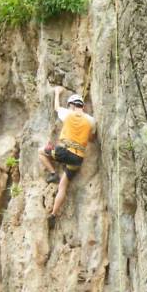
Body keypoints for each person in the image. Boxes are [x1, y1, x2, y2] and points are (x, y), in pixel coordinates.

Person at [38, 86, 96, 229]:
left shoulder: (67, 113)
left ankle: (52, 173)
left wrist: (57, 92)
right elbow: (91, 138)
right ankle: (53, 214)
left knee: (41, 151)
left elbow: (57, 107)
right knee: (63, 185)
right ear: (82, 106)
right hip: (78, 159)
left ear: (71, 105)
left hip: (64, 152)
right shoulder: (91, 121)